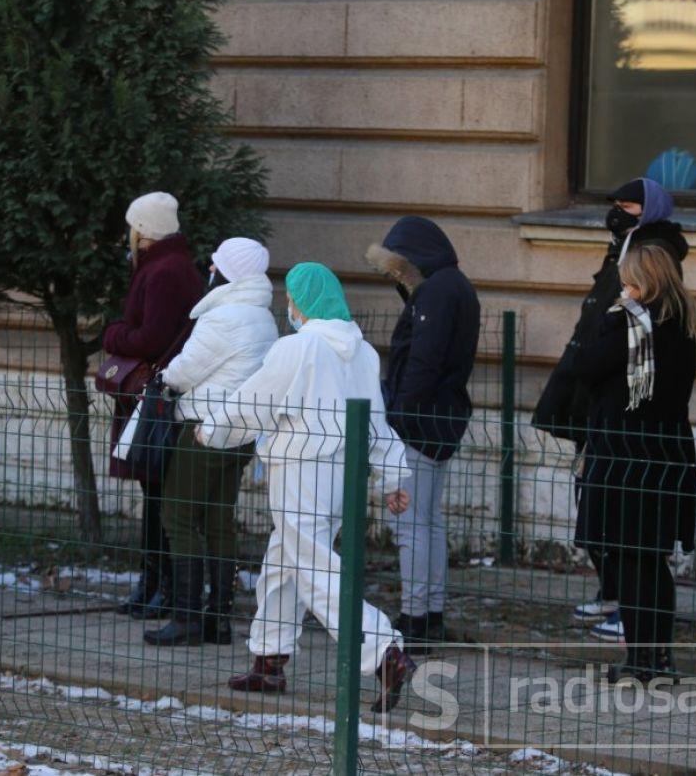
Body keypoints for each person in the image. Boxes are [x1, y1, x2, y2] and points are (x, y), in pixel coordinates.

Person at [199, 262, 416, 712]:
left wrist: (212, 429)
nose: (289, 308)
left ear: (304, 302)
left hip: (299, 469)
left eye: (292, 300)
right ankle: (269, 658)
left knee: (314, 569)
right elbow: (376, 423)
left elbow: (253, 403)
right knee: (285, 561)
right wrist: (393, 474)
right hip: (343, 474)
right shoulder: (361, 352)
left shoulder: (296, 349)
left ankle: (384, 653)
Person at [533, 177, 688, 641]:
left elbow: (616, 369)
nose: (619, 211)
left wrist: (607, 330)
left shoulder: (645, 310)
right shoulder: (637, 286)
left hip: (628, 437)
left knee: (633, 543)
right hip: (619, 428)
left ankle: (638, 629)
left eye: (629, 205)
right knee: (616, 530)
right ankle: (632, 622)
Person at [566, 245, 696, 681]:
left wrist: (608, 317)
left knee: (628, 558)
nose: (622, 288)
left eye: (627, 280)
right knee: (650, 560)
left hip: (626, 455)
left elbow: (583, 365)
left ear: (643, 283)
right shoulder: (680, 323)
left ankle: (642, 659)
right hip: (664, 453)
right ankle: (656, 655)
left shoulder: (629, 323)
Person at [143, 238, 278, 647]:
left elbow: (185, 371)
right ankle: (218, 616)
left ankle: (185, 618)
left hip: (203, 429)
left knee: (179, 517)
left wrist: (161, 379)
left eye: (215, 266)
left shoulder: (224, 316)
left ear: (227, 272)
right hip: (241, 435)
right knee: (219, 522)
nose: (210, 272)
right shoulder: (262, 316)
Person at [365, 216, 481, 651]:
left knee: (411, 526)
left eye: (398, 269)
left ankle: (415, 619)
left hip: (418, 423)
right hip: (442, 419)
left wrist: (396, 418)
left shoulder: (435, 291)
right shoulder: (456, 287)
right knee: (428, 522)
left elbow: (422, 362)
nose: (397, 277)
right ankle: (429, 613)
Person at [104, 192, 202, 620]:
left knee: (159, 494)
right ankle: (153, 583)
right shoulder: (173, 266)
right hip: (159, 396)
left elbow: (150, 338)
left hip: (155, 398)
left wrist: (114, 336)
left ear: (143, 229)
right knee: (157, 493)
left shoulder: (162, 272)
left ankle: (161, 585)